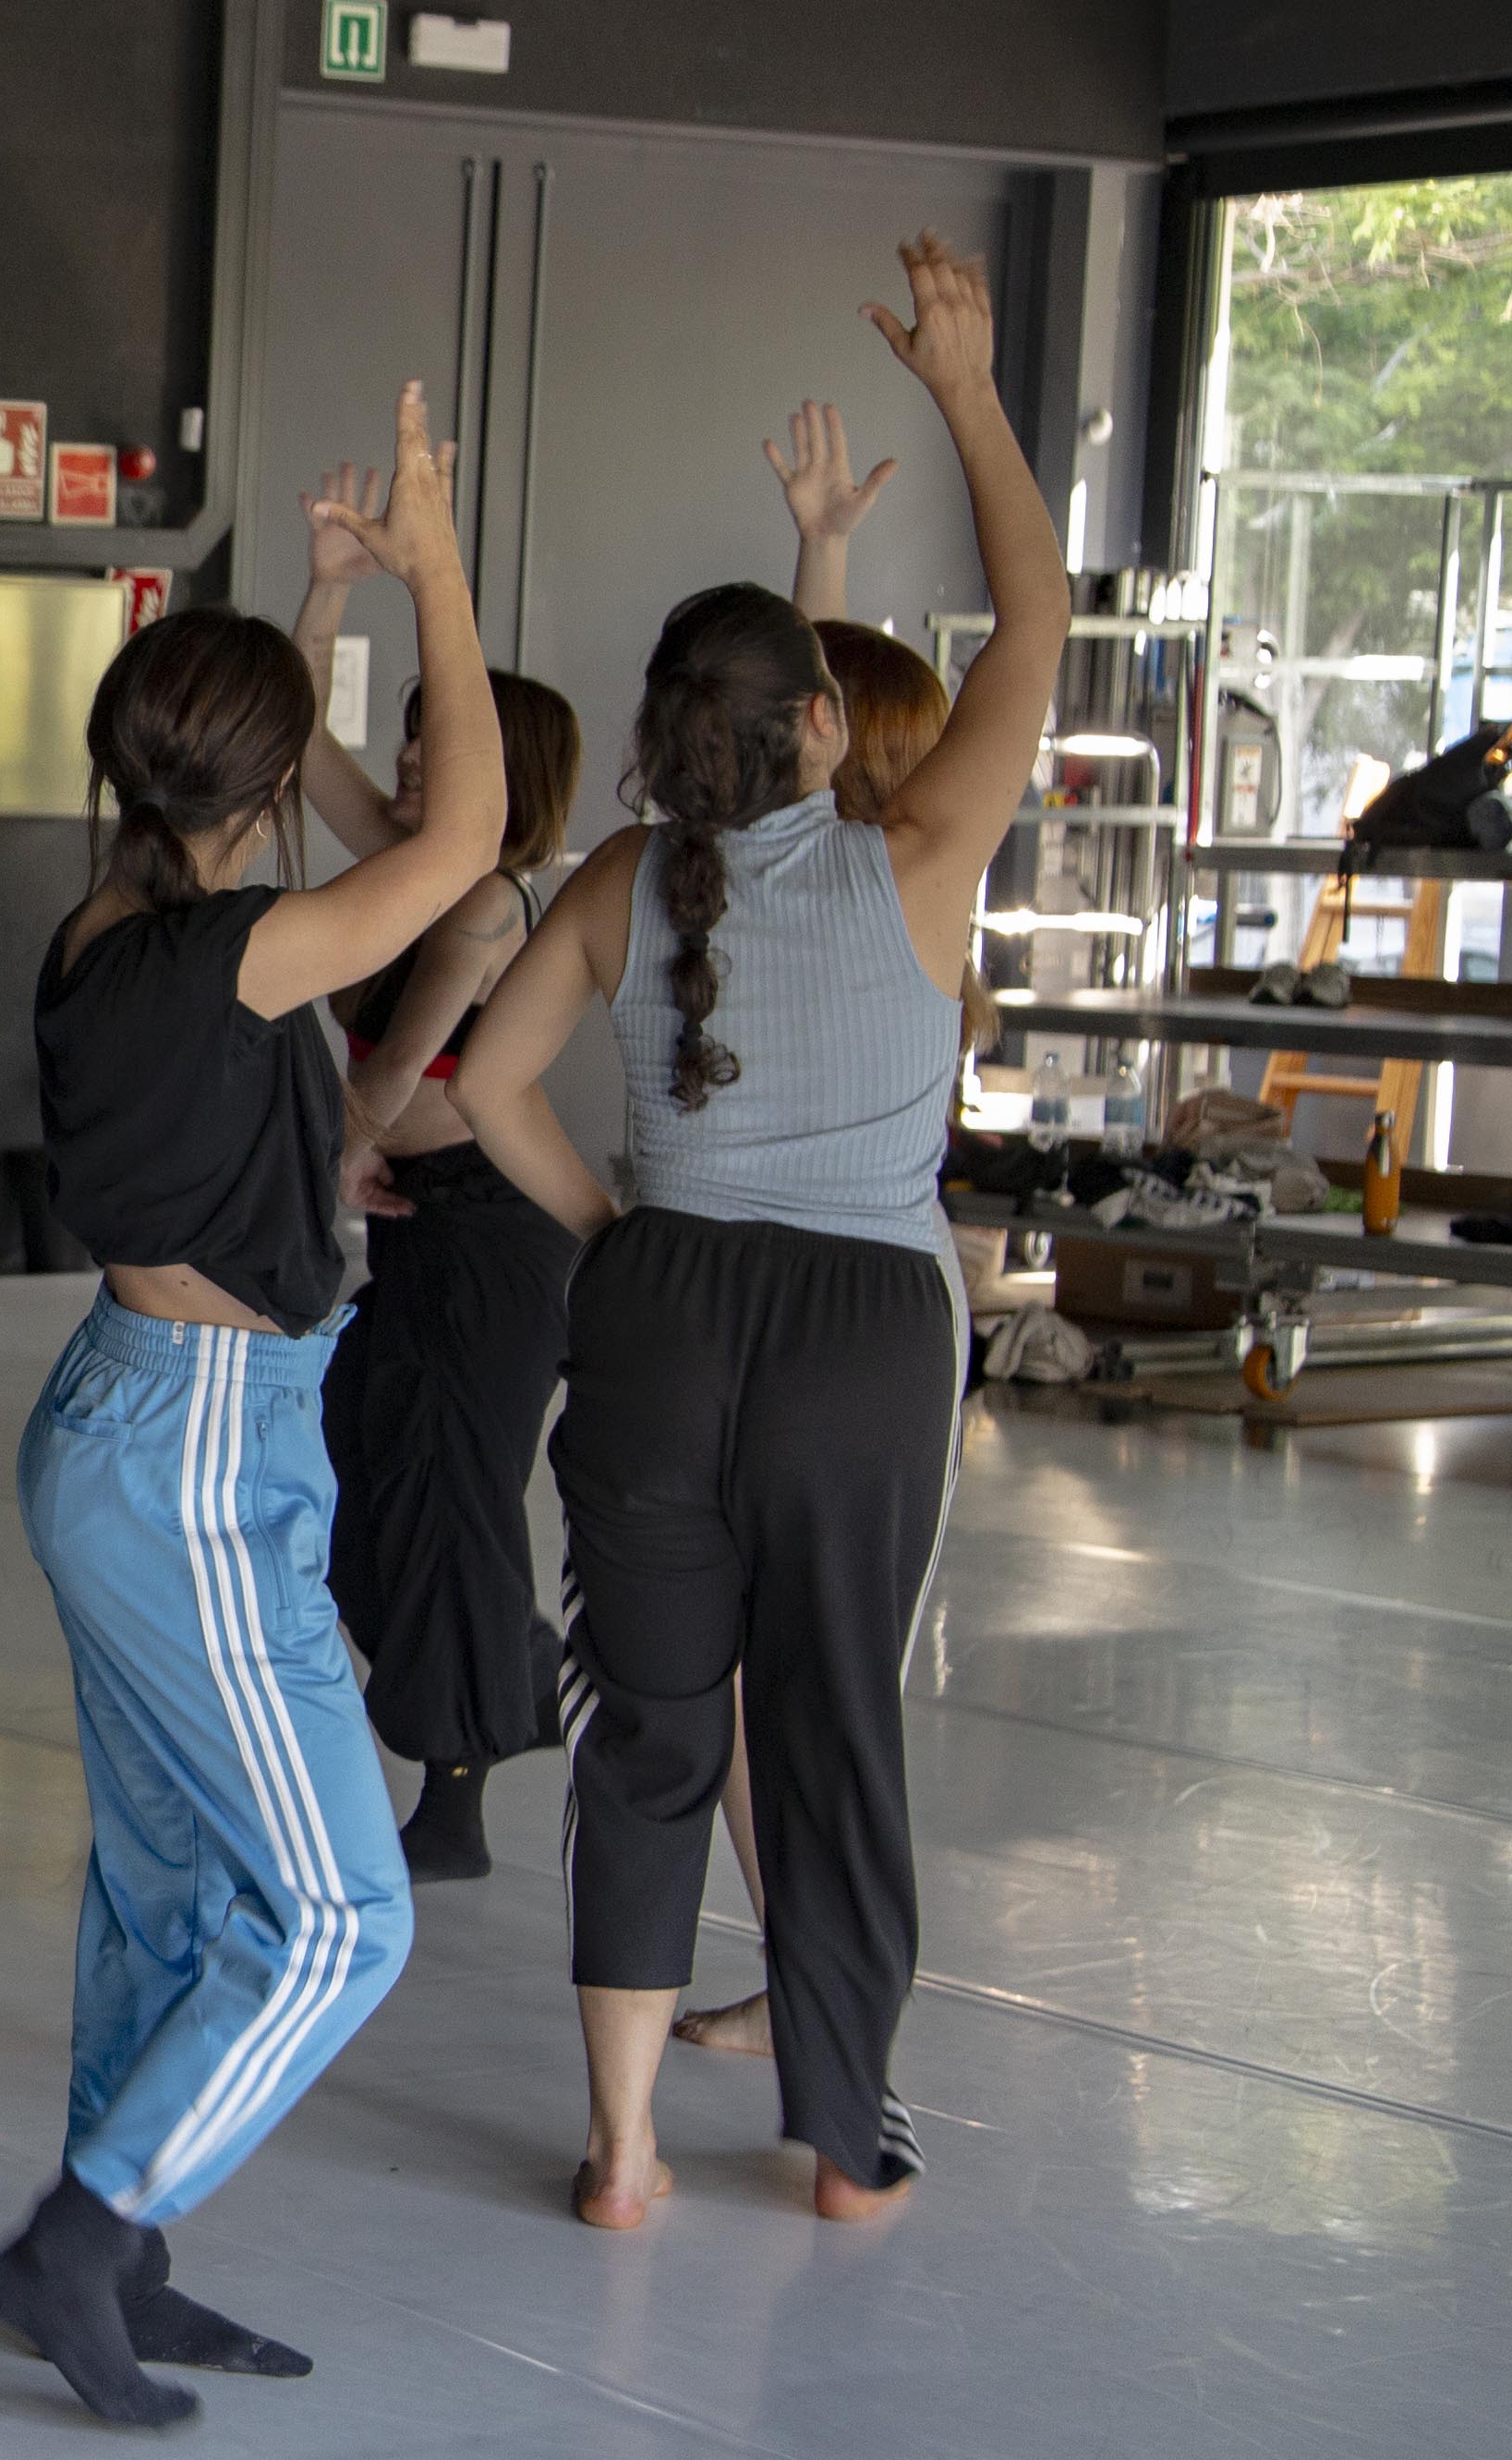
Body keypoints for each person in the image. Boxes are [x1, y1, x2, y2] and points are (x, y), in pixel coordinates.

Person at [449, 234, 1070, 2232]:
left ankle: (622, 2155)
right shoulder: (922, 859)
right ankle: (836, 2142)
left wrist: (624, 1218)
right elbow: (1036, 621)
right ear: (824, 725)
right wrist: (967, 397)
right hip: (862, 1330)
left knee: (647, 1728)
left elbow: (481, 1088)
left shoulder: (630, 873)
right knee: (830, 1731)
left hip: (663, 1312)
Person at [0, 382, 498, 2430]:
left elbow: (241, 796)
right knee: (344, 1915)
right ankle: (85, 2233)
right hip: (193, 1442)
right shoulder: (241, 956)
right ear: (263, 792)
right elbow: (462, 844)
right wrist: (439, 568)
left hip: (140, 1419)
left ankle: (133, 2251)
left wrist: (319, 598)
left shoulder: (116, 923)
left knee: (178, 1875)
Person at [676, 473, 986, 2060]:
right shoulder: (804, 880)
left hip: (868, 1320)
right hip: (775, 1310)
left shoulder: (897, 894)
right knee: (736, 1681)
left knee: (819, 1675)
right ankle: (809, 1960)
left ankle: (839, 1985)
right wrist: (820, 545)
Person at [284, 477, 589, 1880]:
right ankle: (516, 1661)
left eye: (433, 752)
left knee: (455, 1502)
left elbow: (400, 1075)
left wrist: (328, 1147)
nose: (408, 772)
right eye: (407, 749)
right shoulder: (414, 867)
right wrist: (333, 583)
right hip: (416, 1239)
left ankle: (453, 1803)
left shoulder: (484, 900)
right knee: (350, 1465)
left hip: (490, 1240)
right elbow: (294, 751)